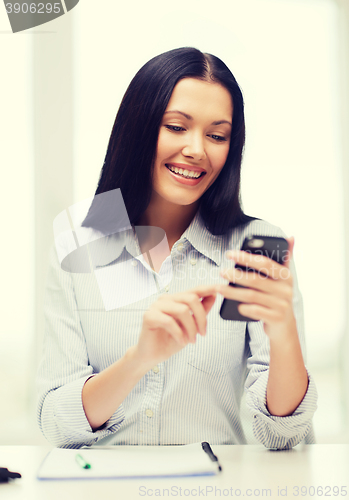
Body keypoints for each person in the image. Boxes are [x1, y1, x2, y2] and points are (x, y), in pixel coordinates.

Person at [37, 47, 317, 449]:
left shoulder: (253, 248)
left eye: (217, 135)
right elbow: (58, 425)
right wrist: (140, 359)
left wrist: (285, 334)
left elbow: (282, 435)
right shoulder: (80, 239)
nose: (197, 150)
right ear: (139, 127)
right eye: (176, 127)